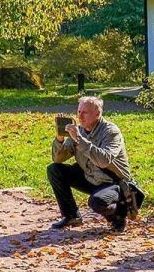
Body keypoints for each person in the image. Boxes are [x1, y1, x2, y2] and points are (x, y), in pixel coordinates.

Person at [47, 96, 135, 232]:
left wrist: (79, 140)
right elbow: (58, 159)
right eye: (79, 112)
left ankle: (119, 214)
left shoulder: (111, 132)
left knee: (97, 202)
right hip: (90, 177)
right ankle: (71, 216)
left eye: (85, 112)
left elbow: (103, 160)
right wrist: (59, 139)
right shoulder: (79, 131)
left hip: (112, 182)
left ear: (97, 114)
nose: (80, 116)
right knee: (54, 169)